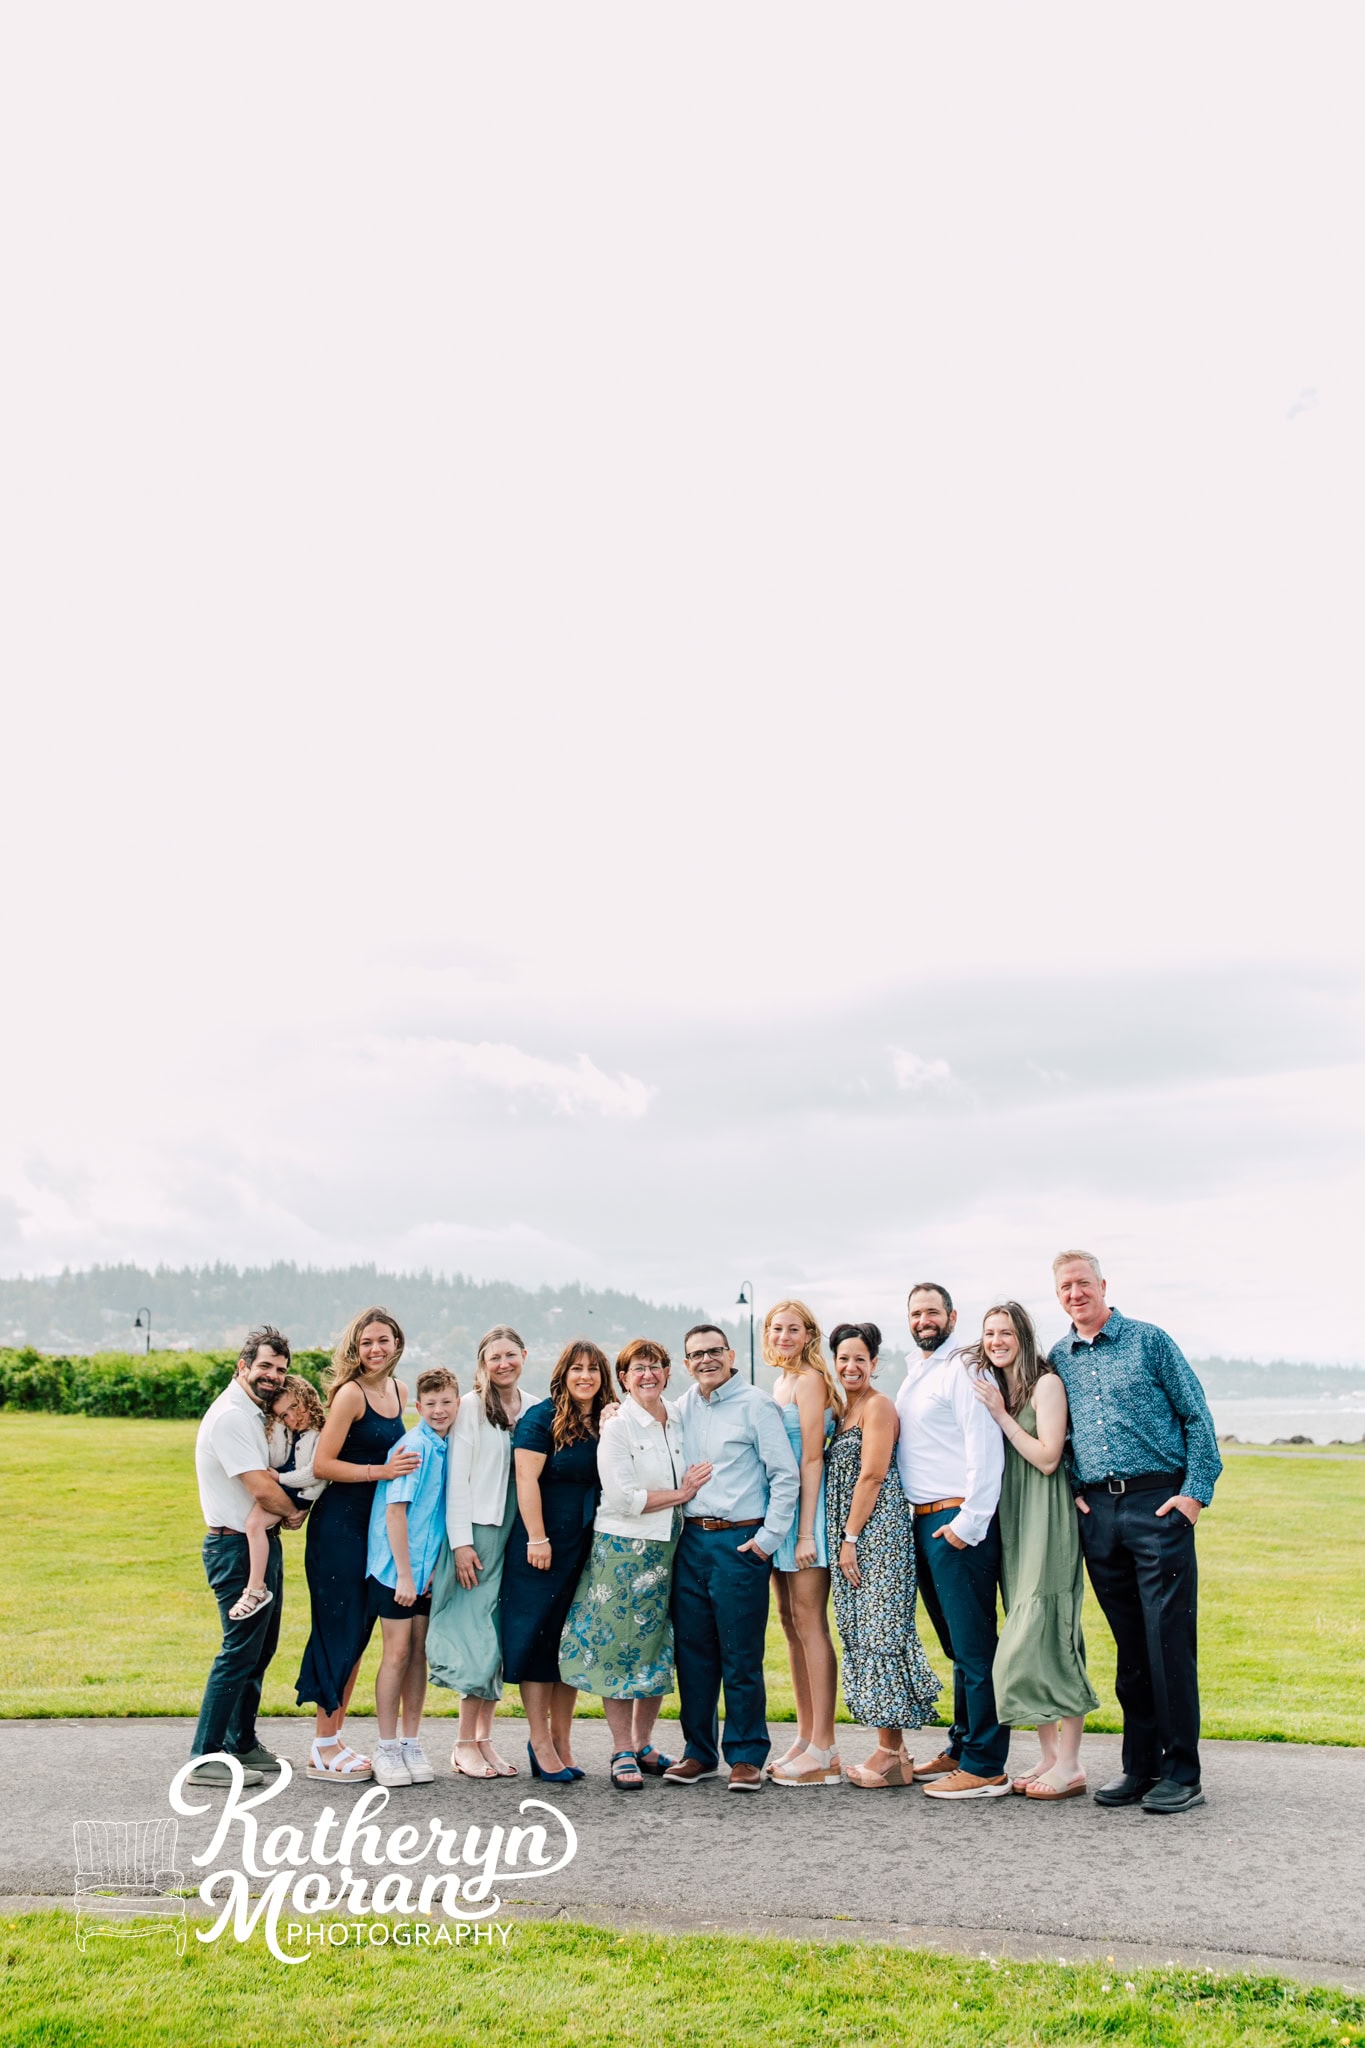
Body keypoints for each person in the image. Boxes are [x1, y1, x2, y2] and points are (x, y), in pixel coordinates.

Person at [1050, 1251, 1222, 1816]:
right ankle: (1140, 1766)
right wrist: (1076, 1487)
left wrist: (1193, 1497)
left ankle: (1182, 1772)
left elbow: (1197, 1417)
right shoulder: (1059, 1357)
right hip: (1099, 1516)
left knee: (1166, 1638)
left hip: (1158, 1506)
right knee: (1130, 1647)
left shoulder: (1149, 1341)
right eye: (1065, 1286)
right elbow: (1061, 1432)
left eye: (1083, 1283)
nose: (1075, 1293)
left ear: (1103, 1285)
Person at [559, 1340, 712, 1787]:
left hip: (672, 1547)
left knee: (658, 1647)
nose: (648, 1375)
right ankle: (621, 1750)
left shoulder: (679, 1416)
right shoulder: (618, 1425)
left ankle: (644, 1745)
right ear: (623, 1379)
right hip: (625, 1550)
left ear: (668, 1372)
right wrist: (681, 1495)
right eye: (637, 1369)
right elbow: (624, 1499)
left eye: (656, 1367)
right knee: (620, 1649)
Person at [969, 1302, 1098, 1800]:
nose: (997, 1340)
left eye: (1005, 1332)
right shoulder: (999, 1386)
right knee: (1028, 1638)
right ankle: (1048, 1757)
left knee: (1049, 1634)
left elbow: (1047, 1458)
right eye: (989, 1333)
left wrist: (1001, 1417)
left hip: (1047, 1517)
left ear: (1023, 1335)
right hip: (1015, 1521)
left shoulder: (1046, 1385)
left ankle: (1071, 1763)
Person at [662, 1324, 799, 1792]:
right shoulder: (681, 1408)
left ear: (730, 1354)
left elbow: (785, 1476)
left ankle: (745, 1756)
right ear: (686, 1363)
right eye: (696, 1354)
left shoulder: (756, 1405)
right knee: (693, 1655)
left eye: (714, 1351)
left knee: (741, 1655)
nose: (706, 1360)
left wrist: (766, 1540)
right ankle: (698, 1752)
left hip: (739, 1543)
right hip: (691, 1541)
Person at [895, 1282, 1010, 1800]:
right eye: (916, 1312)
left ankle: (986, 1764)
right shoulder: (918, 1372)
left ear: (952, 1316)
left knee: (974, 1647)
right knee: (955, 1647)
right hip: (922, 1522)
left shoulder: (966, 1367)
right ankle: (962, 1746)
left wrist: (970, 1522)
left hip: (956, 1523)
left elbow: (984, 1445)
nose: (924, 1320)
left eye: (933, 1312)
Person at [295, 1308, 420, 1783]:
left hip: (376, 1530)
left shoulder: (399, 1391)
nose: (375, 1349)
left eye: (383, 1340)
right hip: (339, 1530)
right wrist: (379, 1472)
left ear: (396, 1343)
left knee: (360, 1635)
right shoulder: (350, 1394)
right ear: (355, 1347)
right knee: (338, 1632)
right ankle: (324, 1745)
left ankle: (333, 1738)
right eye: (366, 1342)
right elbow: (325, 1463)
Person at [825, 1322, 941, 1789]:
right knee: (861, 1634)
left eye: (860, 1359)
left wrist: (850, 1536)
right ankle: (897, 1754)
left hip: (877, 1536)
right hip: (849, 1535)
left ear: (874, 1364)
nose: (851, 1366)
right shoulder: (841, 1410)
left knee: (881, 1635)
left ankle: (890, 1752)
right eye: (843, 1358)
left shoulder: (878, 1406)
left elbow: (871, 1476)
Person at [189, 1327, 305, 1786]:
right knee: (239, 1651)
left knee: (260, 1649)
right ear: (243, 1367)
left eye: (280, 1370)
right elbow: (260, 1487)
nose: (273, 1377)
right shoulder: (232, 1418)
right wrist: (295, 1511)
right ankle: (205, 1756)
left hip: (255, 1543)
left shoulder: (254, 1413)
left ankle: (241, 1742)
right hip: (235, 1547)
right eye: (265, 1367)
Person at [500, 1340, 612, 1784]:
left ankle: (563, 1739)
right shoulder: (541, 1417)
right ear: (563, 1373)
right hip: (541, 1547)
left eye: (593, 1369)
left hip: (586, 1547)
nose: (585, 1376)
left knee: (570, 1645)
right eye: (576, 1369)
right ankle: (538, 1739)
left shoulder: (606, 1419)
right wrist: (537, 1537)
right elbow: (525, 1479)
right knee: (538, 1642)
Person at [427, 1325, 527, 1778]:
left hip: (517, 1531)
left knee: (497, 1638)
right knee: (477, 1638)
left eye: (510, 1354)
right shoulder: (468, 1408)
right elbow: (457, 1479)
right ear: (482, 1364)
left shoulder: (534, 1407)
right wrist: (461, 1542)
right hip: (480, 1533)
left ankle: (484, 1740)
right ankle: (464, 1742)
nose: (503, 1363)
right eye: (494, 1357)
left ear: (524, 1355)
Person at [364, 1367, 460, 1788]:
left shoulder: (448, 1446)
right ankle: (385, 1746)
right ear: (417, 1408)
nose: (439, 1410)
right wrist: (404, 1575)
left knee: (419, 1652)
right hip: (395, 1571)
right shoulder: (413, 1447)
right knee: (397, 1653)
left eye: (447, 1402)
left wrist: (432, 1569)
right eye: (431, 1404)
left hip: (426, 1573)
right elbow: (395, 1513)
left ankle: (410, 1742)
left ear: (457, 1404)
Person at [765, 1300, 845, 1787]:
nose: (783, 1336)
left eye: (793, 1329)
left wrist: (804, 1532)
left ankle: (826, 1745)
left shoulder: (812, 1381)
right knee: (789, 1623)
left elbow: (812, 1458)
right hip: (781, 1512)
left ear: (809, 1333)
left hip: (806, 1515)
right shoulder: (779, 1383)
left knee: (812, 1623)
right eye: (776, 1328)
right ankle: (803, 1735)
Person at [229, 1374, 328, 1622]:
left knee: (254, 1524)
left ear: (308, 1398)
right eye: (284, 1415)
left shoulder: (322, 1433)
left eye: (294, 1407)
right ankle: (256, 1587)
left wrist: (280, 1480)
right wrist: (279, 1425)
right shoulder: (292, 1431)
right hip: (287, 1487)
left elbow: (316, 1473)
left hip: (298, 1492)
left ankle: (255, 1589)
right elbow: (276, 1459)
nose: (293, 1418)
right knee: (255, 1525)